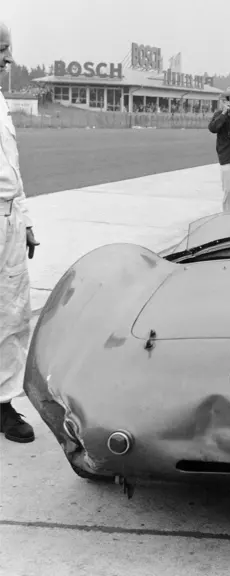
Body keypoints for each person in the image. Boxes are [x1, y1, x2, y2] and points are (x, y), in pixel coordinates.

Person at [0, 21, 39, 443]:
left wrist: (26, 222)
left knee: (12, 310)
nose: (8, 59)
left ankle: (3, 404)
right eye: (2, 50)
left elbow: (13, 169)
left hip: (9, 219)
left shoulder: (0, 101)